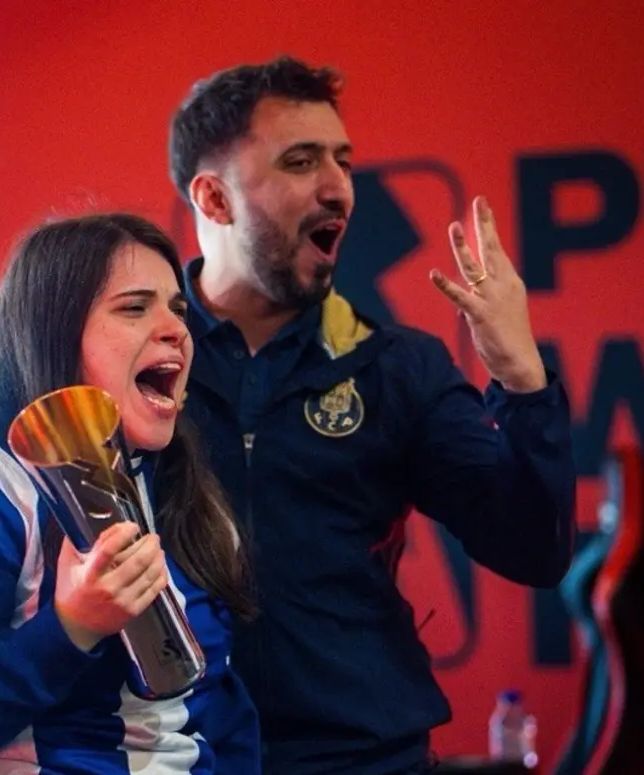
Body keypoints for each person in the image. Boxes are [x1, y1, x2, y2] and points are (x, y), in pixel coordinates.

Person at [166, 56, 578, 774]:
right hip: (175, 755)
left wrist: (523, 380)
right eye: (301, 162)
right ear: (215, 198)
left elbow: (534, 550)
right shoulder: (135, 363)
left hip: (365, 758)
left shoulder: (397, 366)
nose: (338, 188)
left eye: (344, 162)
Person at [0, 213, 262, 774]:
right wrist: (72, 624)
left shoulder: (181, 485)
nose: (175, 329)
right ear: (55, 331)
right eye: (134, 308)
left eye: (178, 309)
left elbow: (220, 707)